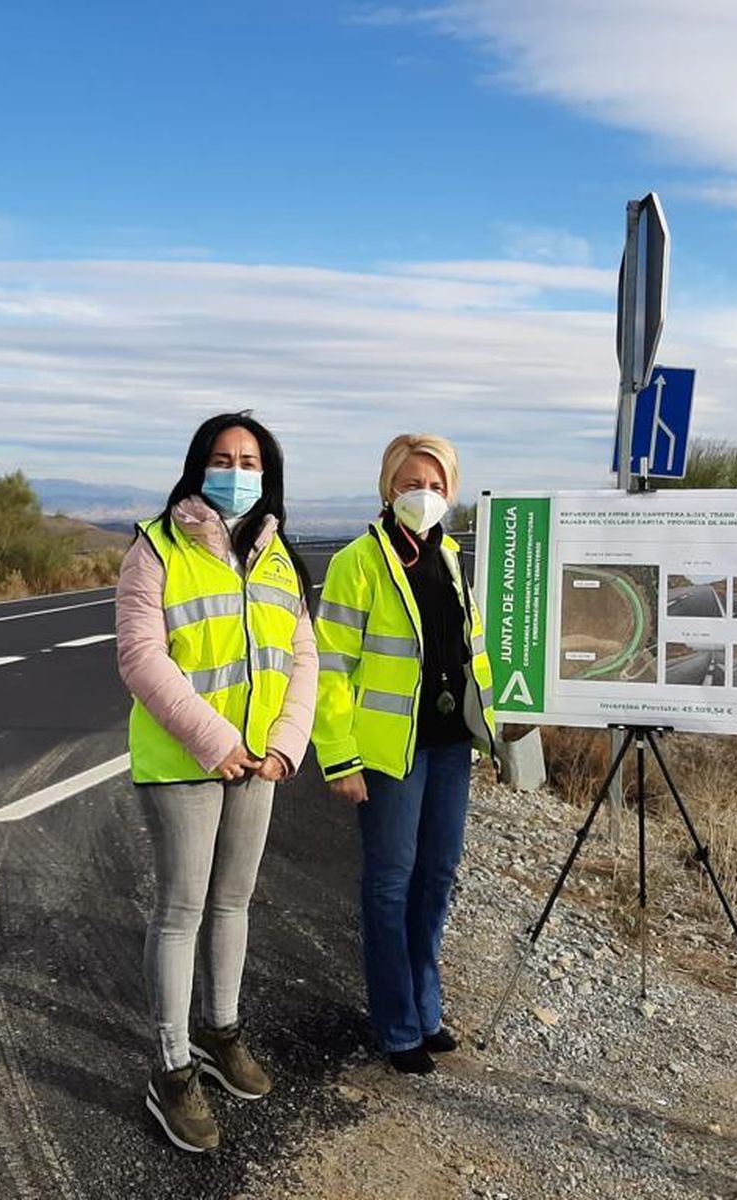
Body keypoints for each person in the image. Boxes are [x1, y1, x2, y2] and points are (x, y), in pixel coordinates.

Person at [114, 412, 318, 1154]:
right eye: (225, 458)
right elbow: (141, 658)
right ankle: (171, 1072)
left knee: (233, 903)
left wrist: (285, 745)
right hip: (182, 763)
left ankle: (221, 1032)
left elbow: (303, 658)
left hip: (259, 762)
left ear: (269, 474)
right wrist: (215, 741)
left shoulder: (275, 554)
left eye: (252, 461)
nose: (239, 471)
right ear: (200, 465)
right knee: (181, 910)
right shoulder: (156, 548)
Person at [312, 433, 497, 1074]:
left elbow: (470, 654)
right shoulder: (357, 562)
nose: (425, 494)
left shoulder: (449, 555)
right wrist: (339, 757)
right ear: (388, 487)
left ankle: (426, 1009)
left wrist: (488, 732)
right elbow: (329, 667)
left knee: (437, 878)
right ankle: (396, 1028)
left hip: (449, 749)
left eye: (438, 484)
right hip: (390, 754)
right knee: (391, 885)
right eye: (412, 482)